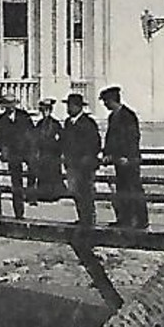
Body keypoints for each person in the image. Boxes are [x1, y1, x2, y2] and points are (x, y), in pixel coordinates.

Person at [99, 86, 147, 229]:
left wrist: (128, 157)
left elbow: (132, 138)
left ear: (112, 100)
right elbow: (110, 138)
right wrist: (108, 154)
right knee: (122, 190)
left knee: (134, 189)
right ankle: (124, 219)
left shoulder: (128, 116)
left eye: (106, 101)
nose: (105, 104)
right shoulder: (113, 116)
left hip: (129, 161)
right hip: (119, 161)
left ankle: (140, 220)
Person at [60, 93, 102, 230]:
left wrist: (87, 157)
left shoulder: (88, 123)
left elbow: (95, 143)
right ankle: (82, 217)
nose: (68, 108)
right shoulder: (68, 123)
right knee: (76, 192)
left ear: (78, 106)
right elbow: (64, 142)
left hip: (85, 165)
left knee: (86, 192)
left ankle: (89, 219)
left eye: (70, 106)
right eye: (68, 105)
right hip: (72, 164)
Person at [0, 93, 33, 218]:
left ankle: (31, 196)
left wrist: (29, 150)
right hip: (13, 155)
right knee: (16, 183)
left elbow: (31, 134)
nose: (9, 107)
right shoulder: (2, 120)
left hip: (26, 152)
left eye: (11, 104)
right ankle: (19, 212)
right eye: (6, 105)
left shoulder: (24, 117)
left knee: (32, 174)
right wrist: (3, 148)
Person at [30, 98, 66, 203]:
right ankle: (43, 194)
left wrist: (58, 147)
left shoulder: (55, 123)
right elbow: (35, 137)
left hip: (53, 152)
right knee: (43, 174)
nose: (45, 112)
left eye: (47, 110)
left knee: (53, 173)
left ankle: (53, 194)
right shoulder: (40, 124)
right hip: (43, 152)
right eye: (43, 110)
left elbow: (62, 137)